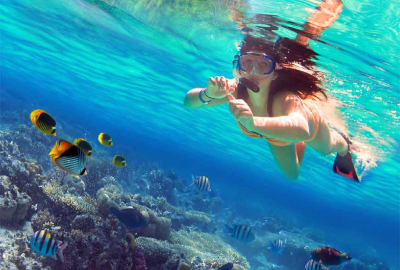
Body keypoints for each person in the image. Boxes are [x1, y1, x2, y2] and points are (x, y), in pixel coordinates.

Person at [183, 0, 360, 182]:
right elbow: (188, 102)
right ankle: (289, 135)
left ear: (275, 72)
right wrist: (208, 94)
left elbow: (302, 129)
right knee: (292, 175)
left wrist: (253, 124)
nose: (253, 72)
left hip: (305, 124)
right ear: (239, 66)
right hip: (276, 134)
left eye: (263, 66)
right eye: (247, 63)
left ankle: (345, 146)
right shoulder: (234, 89)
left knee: (327, 148)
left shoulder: (284, 98)